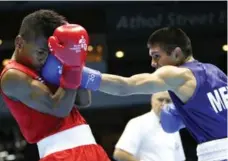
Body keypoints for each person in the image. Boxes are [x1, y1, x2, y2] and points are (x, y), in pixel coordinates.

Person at [78, 27, 227, 161]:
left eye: (157, 56)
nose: (153, 63)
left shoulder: (177, 74)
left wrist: (82, 75)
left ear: (176, 53)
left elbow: (127, 86)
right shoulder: (215, 71)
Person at [0, 10, 110, 161]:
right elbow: (59, 108)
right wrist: (71, 67)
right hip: (60, 155)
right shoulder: (13, 76)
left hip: (91, 149)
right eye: (40, 52)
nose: (45, 58)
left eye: (50, 53)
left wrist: (76, 61)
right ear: (19, 43)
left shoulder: (47, 67)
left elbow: (83, 101)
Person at [113, 91, 186, 161]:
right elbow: (120, 153)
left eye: (168, 101)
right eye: (160, 100)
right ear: (152, 100)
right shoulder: (138, 123)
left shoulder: (173, 126)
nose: (164, 104)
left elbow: (179, 158)